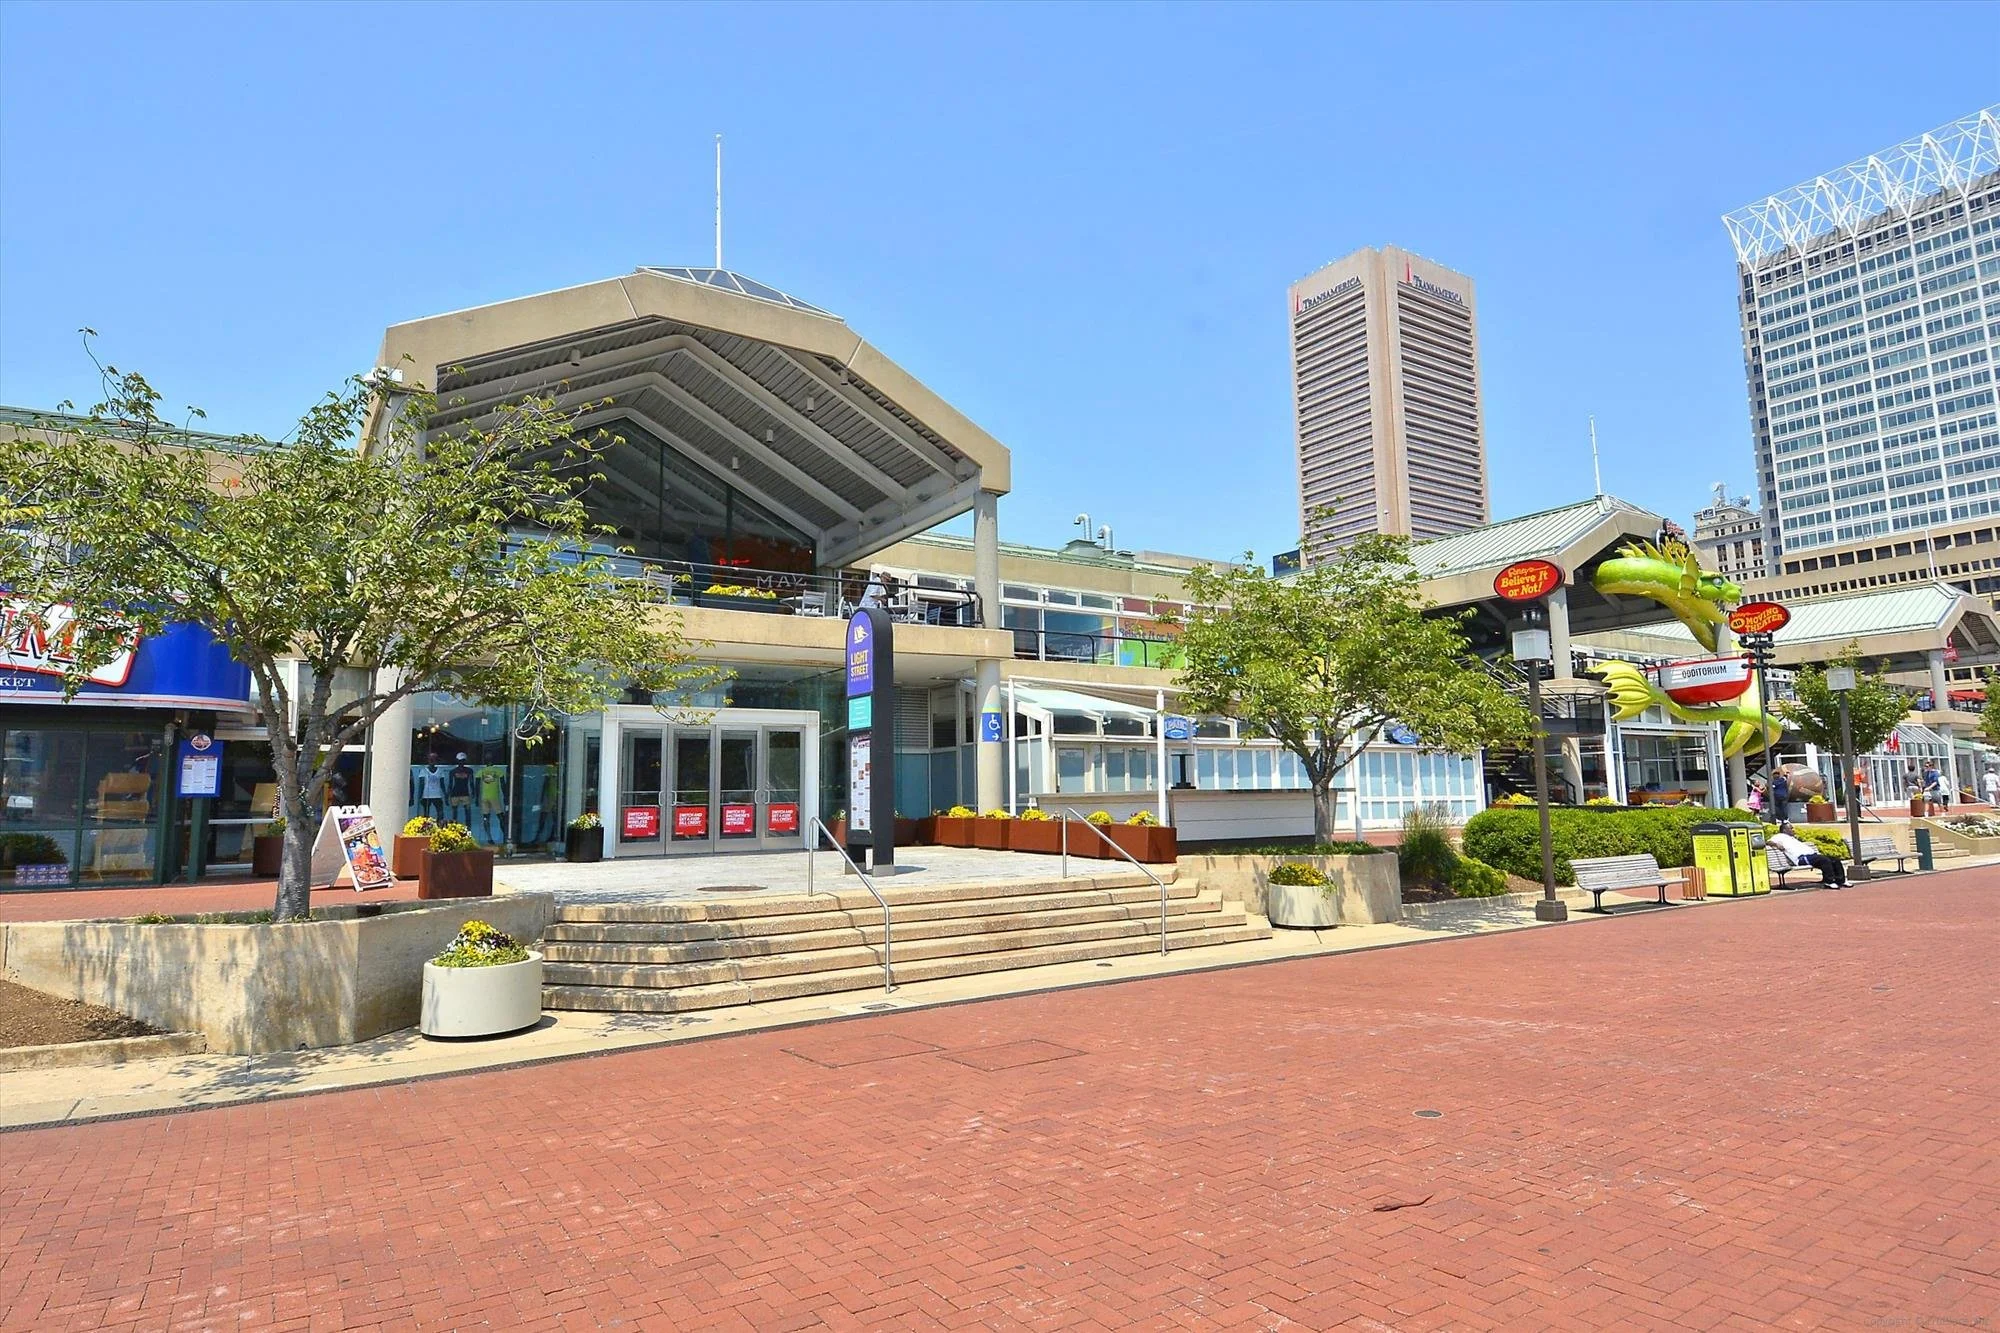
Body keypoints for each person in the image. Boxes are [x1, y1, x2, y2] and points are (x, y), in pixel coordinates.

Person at [1768, 822, 1847, 888]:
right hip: (1802, 858)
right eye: (1791, 828)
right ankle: (1829, 882)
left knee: (1835, 859)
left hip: (1811, 856)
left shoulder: (1792, 838)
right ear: (1784, 830)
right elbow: (1768, 842)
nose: (1793, 830)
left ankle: (1841, 880)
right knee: (1824, 860)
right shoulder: (1779, 836)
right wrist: (1777, 845)